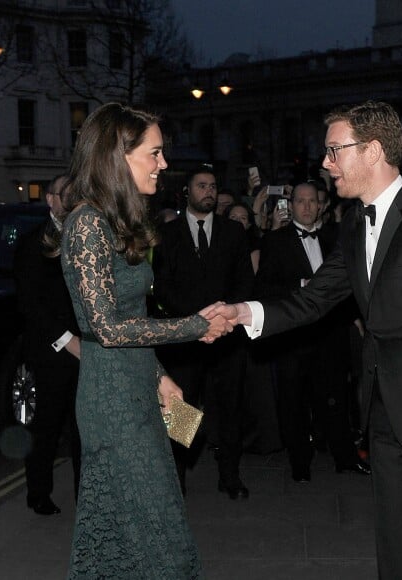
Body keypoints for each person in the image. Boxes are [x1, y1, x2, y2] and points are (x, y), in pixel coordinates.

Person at [210, 100, 402, 579]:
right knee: (396, 543)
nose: (326, 163)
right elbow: (314, 299)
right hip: (381, 411)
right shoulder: (354, 224)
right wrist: (245, 312)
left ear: (374, 150)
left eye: (334, 151)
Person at [59, 103, 231, 579]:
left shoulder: (117, 224)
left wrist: (161, 378)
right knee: (157, 537)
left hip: (138, 388)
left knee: (136, 532)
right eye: (154, 153)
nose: (163, 164)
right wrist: (195, 326)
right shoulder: (87, 223)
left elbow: (130, 318)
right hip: (111, 401)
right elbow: (106, 328)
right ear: (119, 155)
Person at [254, 181, 369, 481]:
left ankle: (345, 458)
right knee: (293, 401)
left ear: (320, 206)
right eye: (301, 201)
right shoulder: (275, 241)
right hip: (293, 337)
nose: (306, 206)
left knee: (336, 398)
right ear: (291, 205)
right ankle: (300, 464)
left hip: (330, 334)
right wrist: (301, 287)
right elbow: (264, 286)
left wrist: (353, 318)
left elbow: (352, 284)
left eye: (312, 201)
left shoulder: (335, 237)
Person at [152, 165, 254, 500]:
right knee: (182, 411)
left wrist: (222, 320)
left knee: (230, 410)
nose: (208, 192)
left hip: (227, 339)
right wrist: (196, 322)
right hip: (184, 341)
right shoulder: (167, 235)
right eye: (201, 186)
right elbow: (163, 288)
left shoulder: (233, 233)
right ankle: (177, 480)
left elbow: (244, 283)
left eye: (213, 186)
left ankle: (230, 476)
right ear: (187, 192)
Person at [13, 175, 81, 516]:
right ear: (50, 200)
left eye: (75, 194)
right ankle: (39, 494)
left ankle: (88, 498)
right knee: (46, 428)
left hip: (89, 348)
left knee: (85, 429)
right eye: (63, 194)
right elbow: (30, 303)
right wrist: (67, 340)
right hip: (51, 351)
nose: (70, 200)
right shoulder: (32, 243)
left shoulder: (88, 237)